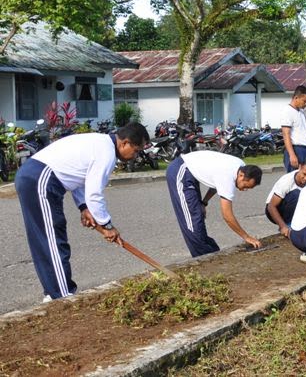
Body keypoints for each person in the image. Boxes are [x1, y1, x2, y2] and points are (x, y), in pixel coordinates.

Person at [16, 123, 148, 301]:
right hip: (41, 178)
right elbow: (94, 194)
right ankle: (62, 297)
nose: (135, 156)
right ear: (125, 143)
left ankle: (54, 292)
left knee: (49, 238)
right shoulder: (106, 153)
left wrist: (83, 207)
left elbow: (80, 178)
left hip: (36, 176)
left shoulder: (101, 144)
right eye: (137, 150)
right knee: (52, 240)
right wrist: (107, 225)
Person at [167, 151, 263, 257]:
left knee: (198, 215)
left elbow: (217, 183)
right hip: (181, 170)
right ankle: (203, 259)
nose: (243, 190)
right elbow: (227, 216)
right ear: (241, 175)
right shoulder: (228, 175)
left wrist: (204, 202)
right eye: (245, 186)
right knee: (192, 222)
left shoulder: (242, 167)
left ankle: (212, 254)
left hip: (190, 173)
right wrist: (246, 237)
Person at [265, 158, 306, 236]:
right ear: (300, 167)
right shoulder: (286, 181)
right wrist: (283, 226)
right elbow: (271, 207)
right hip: (274, 210)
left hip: (296, 209)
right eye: (304, 174)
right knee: (297, 194)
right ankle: (289, 225)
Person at [281, 86, 306, 173]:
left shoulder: (301, 111)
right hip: (296, 149)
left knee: (305, 177)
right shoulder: (288, 111)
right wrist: (292, 155)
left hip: (304, 149)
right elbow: (286, 134)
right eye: (304, 101)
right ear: (296, 98)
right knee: (295, 178)